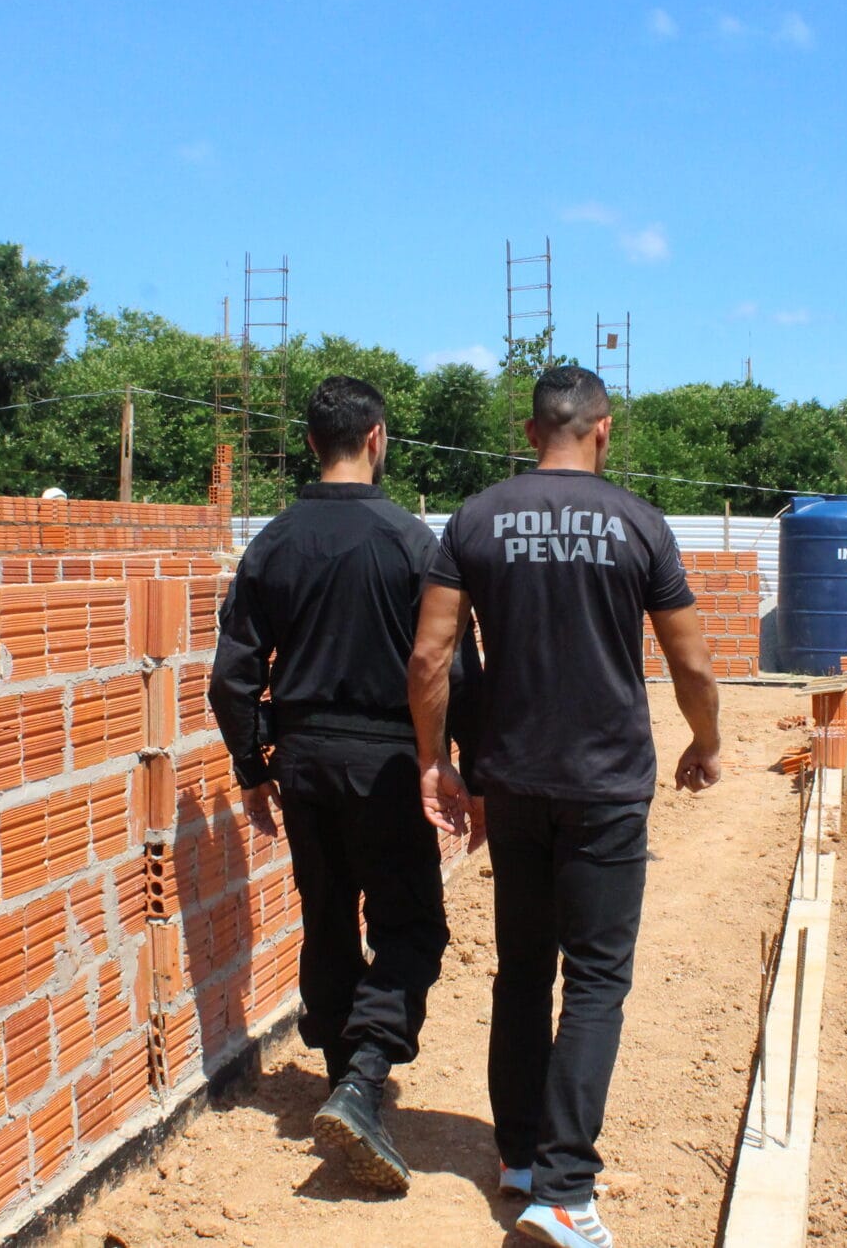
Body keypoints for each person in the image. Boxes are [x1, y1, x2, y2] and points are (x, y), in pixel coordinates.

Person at [410, 366, 722, 1248]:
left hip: (512, 781)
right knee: (594, 980)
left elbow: (431, 658)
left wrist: (436, 762)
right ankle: (565, 1192)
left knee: (522, 966)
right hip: (608, 784)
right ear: (603, 429)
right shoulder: (638, 523)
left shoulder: (473, 518)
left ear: (529, 427)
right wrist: (707, 741)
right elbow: (692, 662)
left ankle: (517, 1154)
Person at [208, 375, 474, 1195]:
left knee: (326, 916)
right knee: (411, 925)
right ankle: (362, 1081)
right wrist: (453, 760)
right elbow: (448, 667)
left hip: (307, 761)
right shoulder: (410, 540)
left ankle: (339, 1080)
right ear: (379, 437)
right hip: (389, 760)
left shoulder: (274, 543)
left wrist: (255, 767)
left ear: (313, 444)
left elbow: (231, 677)